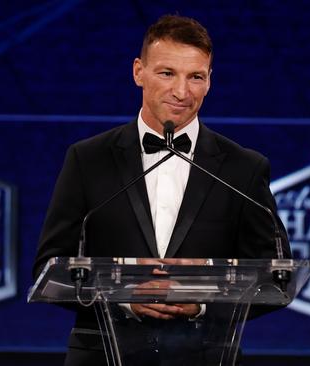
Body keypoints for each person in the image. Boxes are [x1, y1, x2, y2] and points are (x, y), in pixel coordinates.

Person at [33, 14, 291, 366]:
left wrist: (202, 303)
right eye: (167, 73)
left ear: (210, 81)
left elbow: (276, 279)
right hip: (102, 355)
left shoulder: (243, 168)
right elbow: (51, 267)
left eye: (195, 77)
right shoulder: (88, 159)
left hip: (203, 356)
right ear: (138, 71)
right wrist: (123, 297)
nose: (182, 92)